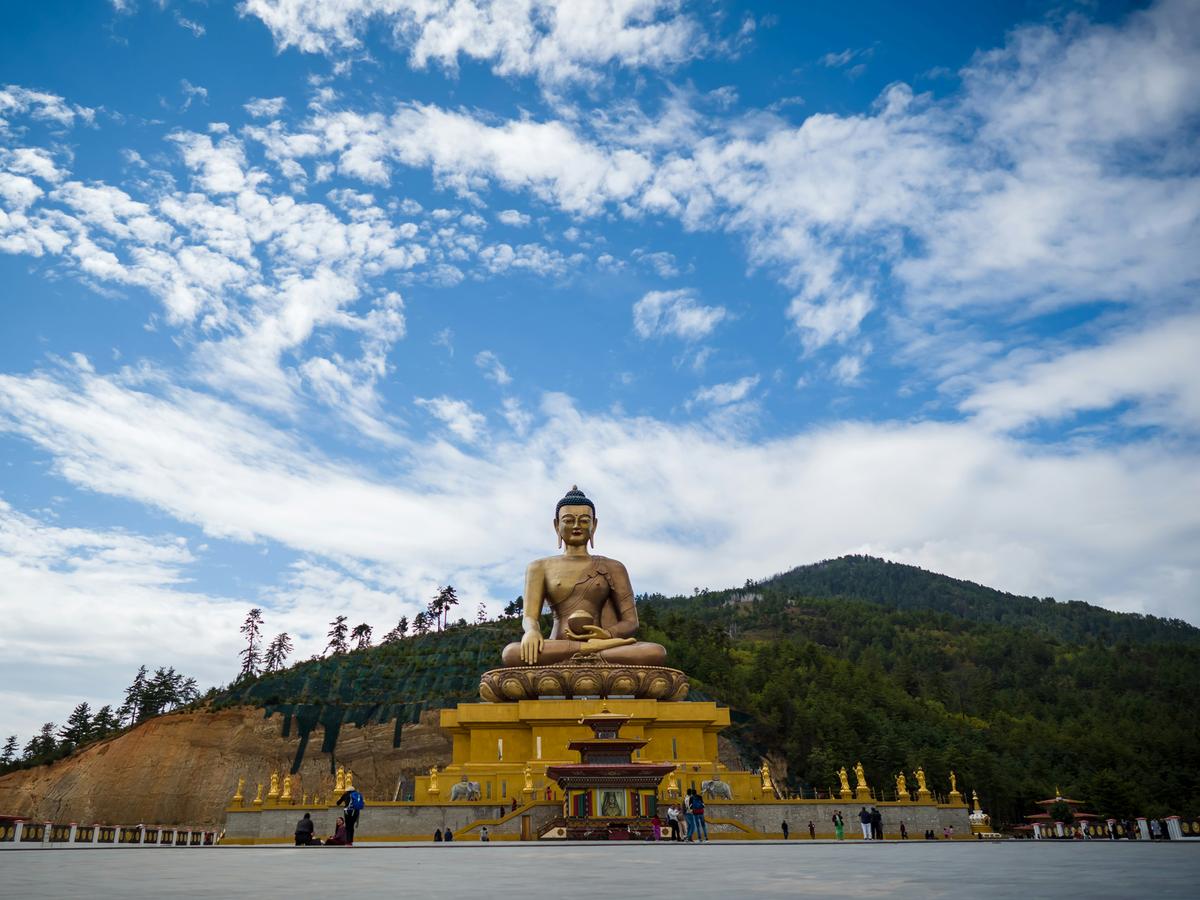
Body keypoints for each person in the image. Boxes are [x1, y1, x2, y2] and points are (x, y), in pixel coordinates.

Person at [501, 487, 668, 667]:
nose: (576, 526)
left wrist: (608, 635)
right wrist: (532, 631)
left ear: (594, 525)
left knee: (655, 651)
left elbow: (631, 622)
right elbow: (529, 617)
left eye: (584, 520)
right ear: (556, 525)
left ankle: (591, 650)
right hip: (559, 644)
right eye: (568, 520)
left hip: (603, 644)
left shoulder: (613, 567)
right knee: (511, 653)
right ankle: (588, 650)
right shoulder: (539, 567)